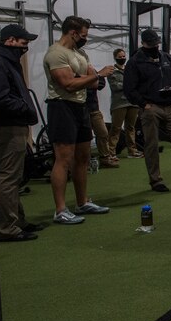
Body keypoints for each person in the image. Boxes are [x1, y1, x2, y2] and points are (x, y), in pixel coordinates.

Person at [43, 15, 113, 225]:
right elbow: (68, 84)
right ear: (73, 33)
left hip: (81, 106)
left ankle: (82, 202)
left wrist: (90, 77)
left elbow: (92, 82)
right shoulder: (56, 53)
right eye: (83, 35)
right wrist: (96, 75)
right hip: (61, 107)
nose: (85, 38)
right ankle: (60, 210)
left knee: (83, 157)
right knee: (63, 159)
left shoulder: (80, 53)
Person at [123, 29, 171, 192]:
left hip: (169, 106)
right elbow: (129, 89)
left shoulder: (166, 58)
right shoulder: (135, 62)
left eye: (156, 43)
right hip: (150, 107)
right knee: (152, 145)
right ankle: (156, 181)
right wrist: (143, 104)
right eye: (151, 44)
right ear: (143, 43)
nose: (155, 46)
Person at [0, 24, 43, 240]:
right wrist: (24, 107)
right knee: (8, 177)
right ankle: (8, 228)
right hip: (7, 126)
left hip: (12, 124)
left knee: (13, 176)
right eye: (23, 42)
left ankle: (18, 221)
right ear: (10, 40)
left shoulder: (4, 60)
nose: (26, 46)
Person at [107, 47, 142, 159]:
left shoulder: (130, 69)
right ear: (115, 58)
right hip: (119, 104)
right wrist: (129, 85)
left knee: (131, 128)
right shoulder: (111, 71)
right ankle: (111, 152)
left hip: (132, 103)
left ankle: (132, 151)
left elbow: (138, 83)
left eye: (123, 56)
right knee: (115, 128)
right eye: (120, 57)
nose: (122, 58)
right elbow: (115, 86)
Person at [85, 73, 116, 167]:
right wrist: (91, 81)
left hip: (94, 109)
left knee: (103, 133)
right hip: (80, 110)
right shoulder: (73, 71)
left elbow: (101, 84)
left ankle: (105, 158)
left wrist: (88, 81)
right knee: (85, 138)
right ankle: (85, 162)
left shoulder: (90, 70)